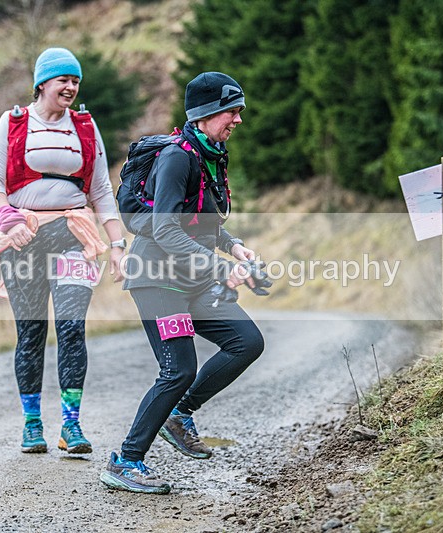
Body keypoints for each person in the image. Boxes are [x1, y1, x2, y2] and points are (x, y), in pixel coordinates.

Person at [100, 72, 264, 493]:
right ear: (208, 112)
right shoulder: (178, 157)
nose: (238, 120)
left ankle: (179, 414)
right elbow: (166, 229)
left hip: (190, 280)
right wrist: (219, 266)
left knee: (246, 341)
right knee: (178, 369)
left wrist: (234, 247)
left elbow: (201, 220)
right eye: (233, 111)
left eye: (239, 111)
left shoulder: (210, 153)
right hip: (156, 280)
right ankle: (126, 462)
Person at [0, 47, 125, 455]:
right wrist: (6, 213)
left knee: (71, 328)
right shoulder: (13, 122)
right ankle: (31, 424)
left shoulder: (84, 125)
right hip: (24, 238)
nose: (71, 87)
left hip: (73, 235)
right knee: (30, 334)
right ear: (42, 83)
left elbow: (100, 190)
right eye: (64, 80)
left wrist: (117, 244)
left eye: (76, 81)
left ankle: (71, 426)